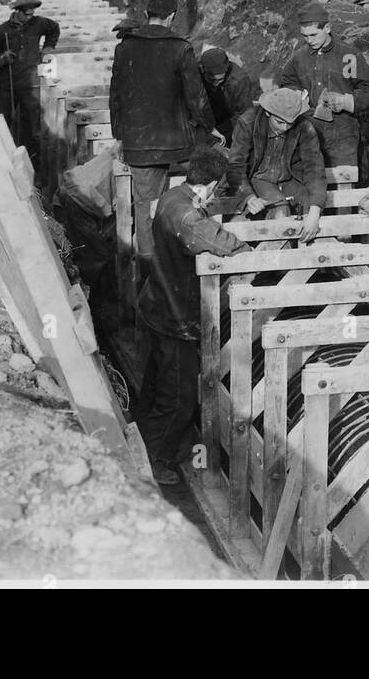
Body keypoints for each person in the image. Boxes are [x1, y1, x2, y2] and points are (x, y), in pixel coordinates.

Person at [136, 146, 250, 485]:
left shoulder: (172, 196)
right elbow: (220, 242)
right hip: (175, 318)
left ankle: (142, 438)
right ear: (212, 184)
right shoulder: (187, 216)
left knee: (156, 383)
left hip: (157, 305)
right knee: (180, 396)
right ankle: (157, 460)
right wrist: (251, 253)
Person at [109, 0, 215, 283]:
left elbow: (115, 96)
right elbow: (196, 97)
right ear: (172, 15)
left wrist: (119, 136)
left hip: (140, 144)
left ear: (147, 13)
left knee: (145, 206)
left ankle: (150, 272)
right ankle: (190, 255)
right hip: (177, 143)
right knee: (195, 194)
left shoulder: (125, 47)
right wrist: (209, 125)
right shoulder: (180, 48)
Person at [279, 0, 369, 183]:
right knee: (311, 181)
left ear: (327, 28)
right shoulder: (299, 58)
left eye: (314, 35)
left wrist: (346, 101)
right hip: (309, 129)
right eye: (305, 36)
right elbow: (287, 82)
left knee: (344, 179)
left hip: (343, 130)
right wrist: (301, 97)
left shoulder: (348, 55)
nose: (309, 41)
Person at [226, 86, 326, 242]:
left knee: (309, 210)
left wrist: (314, 214)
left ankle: (310, 262)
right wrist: (249, 198)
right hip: (259, 178)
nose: (285, 128)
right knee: (280, 212)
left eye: (289, 123)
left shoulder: (305, 127)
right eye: (279, 122)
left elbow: (315, 169)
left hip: (290, 178)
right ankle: (280, 264)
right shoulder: (247, 123)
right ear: (267, 112)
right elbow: (236, 165)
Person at [0, 0, 61, 165]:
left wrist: (48, 48)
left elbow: (54, 28)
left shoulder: (39, 23)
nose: (30, 17)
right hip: (8, 83)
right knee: (3, 122)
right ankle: (4, 161)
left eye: (32, 13)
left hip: (31, 83)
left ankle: (32, 165)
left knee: (33, 128)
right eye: (27, 14)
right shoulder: (4, 30)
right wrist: (2, 59)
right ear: (17, 12)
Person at [197, 46, 254, 146]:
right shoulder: (196, 73)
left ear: (226, 70)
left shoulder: (239, 80)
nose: (215, 84)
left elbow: (245, 115)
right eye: (211, 79)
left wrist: (220, 130)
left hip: (230, 121)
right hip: (206, 118)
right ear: (203, 70)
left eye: (220, 80)